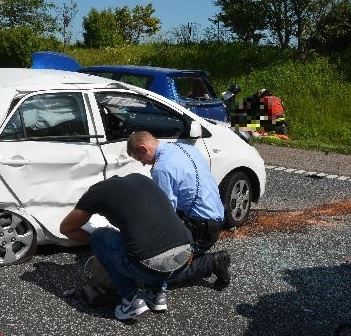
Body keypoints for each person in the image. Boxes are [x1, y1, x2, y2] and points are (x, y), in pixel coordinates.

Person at [60, 174, 230, 321]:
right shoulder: (142, 180)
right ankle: (157, 295)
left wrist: (100, 248)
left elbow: (66, 228)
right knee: (152, 238)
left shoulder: (95, 193)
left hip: (150, 268)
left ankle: (130, 300)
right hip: (185, 259)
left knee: (100, 236)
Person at [127, 131, 225, 254]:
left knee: (175, 260)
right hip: (217, 213)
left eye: (140, 158)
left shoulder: (161, 168)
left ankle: (213, 261)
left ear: (143, 148)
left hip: (202, 226)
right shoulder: (187, 148)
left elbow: (167, 209)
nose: (143, 163)